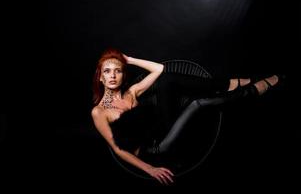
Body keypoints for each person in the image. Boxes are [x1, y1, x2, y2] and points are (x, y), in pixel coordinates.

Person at [91, 48, 281, 185]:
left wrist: (129, 59)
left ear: (123, 75)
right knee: (198, 104)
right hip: (155, 149)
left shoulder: (131, 92)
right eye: (107, 71)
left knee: (167, 81)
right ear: (101, 77)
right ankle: (251, 90)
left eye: (118, 70)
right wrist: (150, 168)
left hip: (163, 129)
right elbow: (118, 150)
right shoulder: (99, 112)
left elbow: (159, 70)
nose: (113, 75)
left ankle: (230, 84)